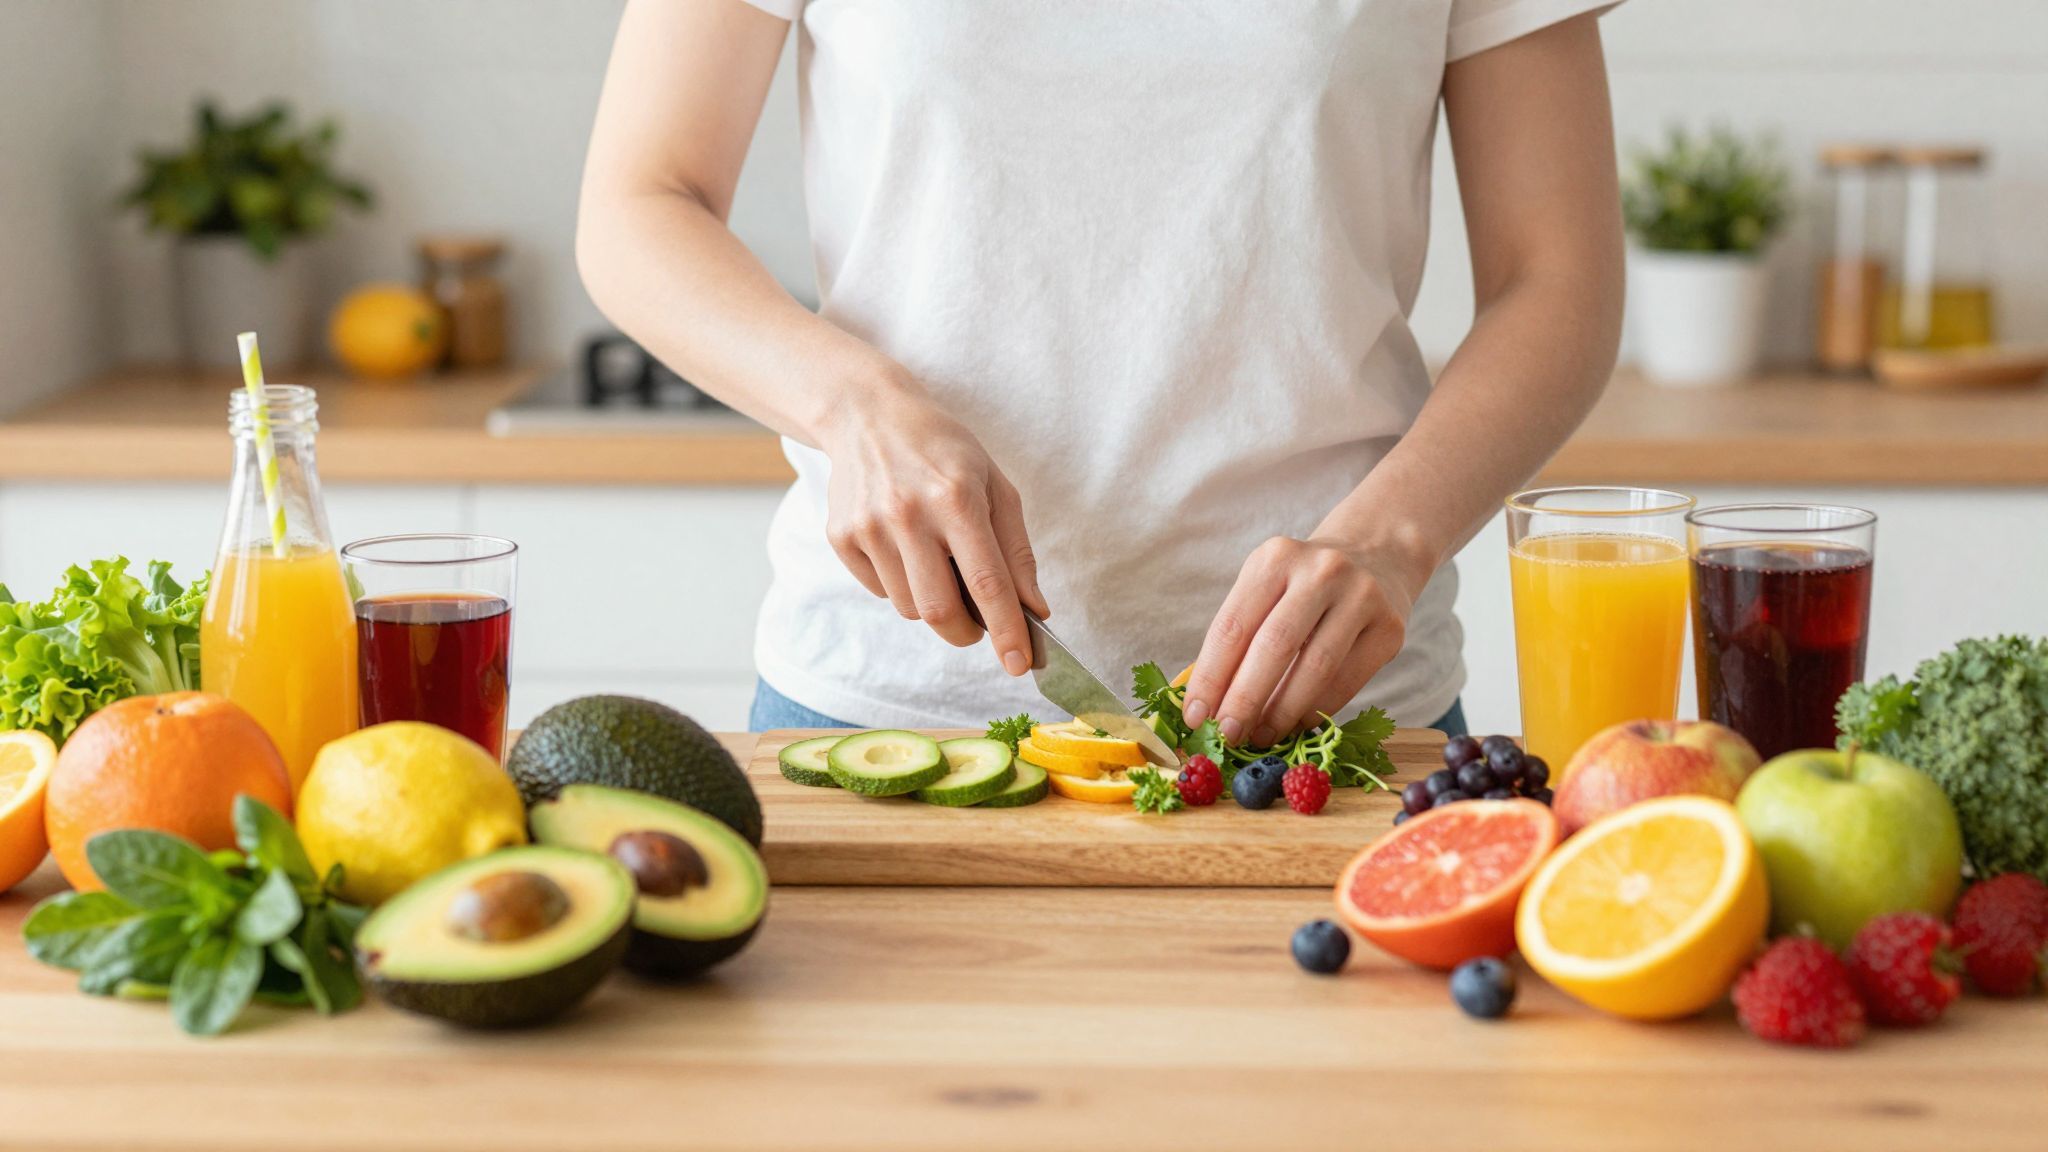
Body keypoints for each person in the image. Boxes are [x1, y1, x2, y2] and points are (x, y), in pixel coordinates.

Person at [578, 0, 1626, 743]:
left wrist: (1387, 542)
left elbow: (1556, 280)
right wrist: (853, 407)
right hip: (886, 704)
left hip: (1328, 719)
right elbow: (639, 202)